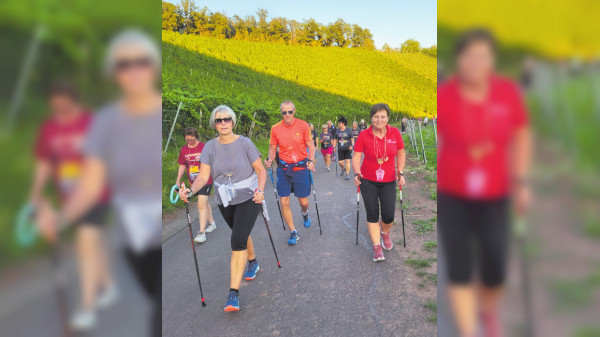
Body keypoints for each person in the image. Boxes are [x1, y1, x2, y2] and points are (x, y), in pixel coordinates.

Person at [36, 30, 163, 337]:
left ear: (154, 66)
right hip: (133, 234)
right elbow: (91, 184)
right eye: (124, 64)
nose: (133, 71)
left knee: (158, 320)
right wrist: (61, 217)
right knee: (151, 295)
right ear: (114, 72)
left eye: (141, 62)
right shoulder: (106, 121)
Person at [437, 29, 531, 337]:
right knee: (460, 269)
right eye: (470, 56)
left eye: (484, 56)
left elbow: (522, 133)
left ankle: (487, 307)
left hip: (495, 193)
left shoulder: (507, 92)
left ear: (493, 60)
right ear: (459, 60)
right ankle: (469, 330)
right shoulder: (444, 95)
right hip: (452, 194)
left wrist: (521, 179)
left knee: (495, 268)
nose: (477, 63)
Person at [30, 82, 115, 331]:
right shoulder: (49, 129)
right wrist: (35, 196)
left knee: (86, 242)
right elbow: (44, 163)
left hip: (96, 194)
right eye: (56, 108)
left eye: (66, 107)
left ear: (74, 102)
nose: (62, 113)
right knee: (92, 241)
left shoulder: (91, 123)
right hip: (68, 197)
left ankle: (87, 307)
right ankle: (108, 284)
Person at [179, 105, 267, 312]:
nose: (223, 123)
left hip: (248, 195)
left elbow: (261, 171)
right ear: (214, 124)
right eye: (219, 120)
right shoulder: (209, 147)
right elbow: (203, 176)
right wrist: (190, 192)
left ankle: (233, 294)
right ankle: (253, 261)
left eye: (227, 119)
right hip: (224, 199)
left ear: (233, 121)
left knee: (237, 240)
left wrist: (261, 191)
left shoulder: (245, 143)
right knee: (240, 233)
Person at [352, 103, 406, 262]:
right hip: (367, 179)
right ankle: (376, 247)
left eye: (383, 116)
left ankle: (385, 233)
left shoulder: (395, 133)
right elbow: (356, 156)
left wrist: (400, 172)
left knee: (388, 215)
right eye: (376, 116)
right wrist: (356, 172)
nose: (379, 120)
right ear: (371, 118)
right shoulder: (364, 135)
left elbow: (401, 155)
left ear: (388, 118)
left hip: (389, 180)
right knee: (372, 213)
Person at [265, 100, 316, 245]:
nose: (287, 115)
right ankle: (293, 231)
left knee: (304, 202)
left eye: (290, 111)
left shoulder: (303, 125)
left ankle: (305, 213)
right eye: (284, 112)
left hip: (300, 168)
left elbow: (311, 146)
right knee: (284, 201)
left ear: (294, 111)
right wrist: (269, 160)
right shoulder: (275, 128)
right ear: (281, 113)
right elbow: (272, 148)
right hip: (284, 169)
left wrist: (311, 161)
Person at [175, 127, 217, 243]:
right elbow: (182, 165)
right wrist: (178, 180)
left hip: (205, 179)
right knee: (204, 202)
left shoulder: (204, 147)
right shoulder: (183, 150)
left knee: (200, 204)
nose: (190, 142)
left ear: (196, 137)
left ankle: (201, 232)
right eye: (187, 140)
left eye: (192, 140)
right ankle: (212, 223)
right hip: (192, 182)